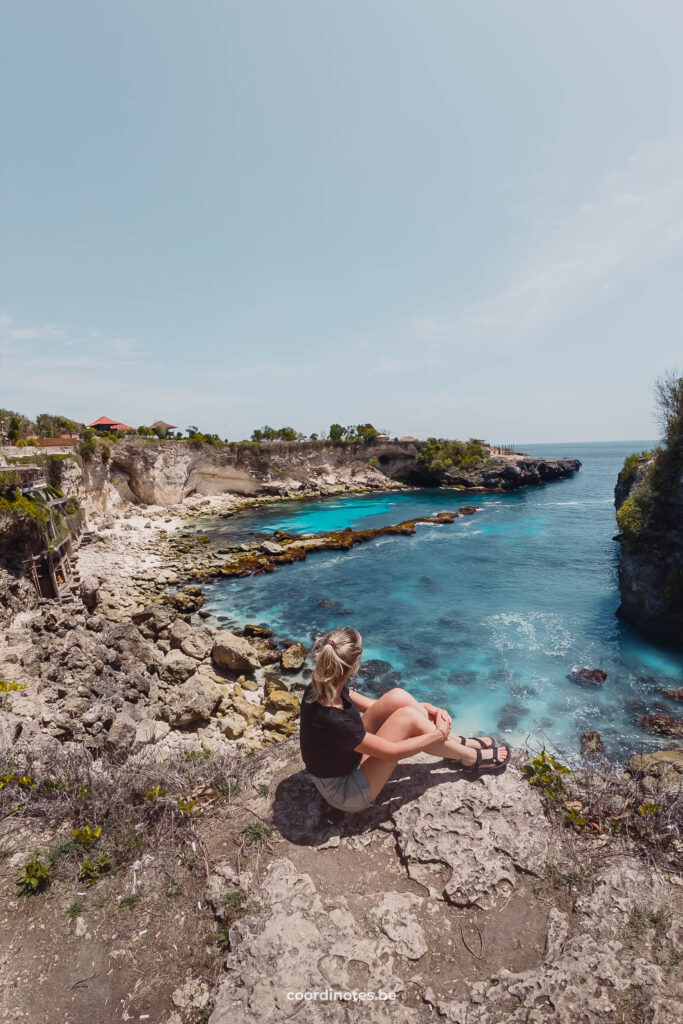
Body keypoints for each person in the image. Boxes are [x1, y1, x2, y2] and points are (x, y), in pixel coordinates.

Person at [299, 627, 511, 813]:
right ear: (353, 666)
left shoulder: (323, 685)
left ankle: (459, 743)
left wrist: (423, 707)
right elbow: (395, 752)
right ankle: (470, 757)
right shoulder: (337, 720)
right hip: (346, 791)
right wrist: (436, 734)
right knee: (408, 720)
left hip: (345, 760)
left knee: (398, 697)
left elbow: (375, 706)